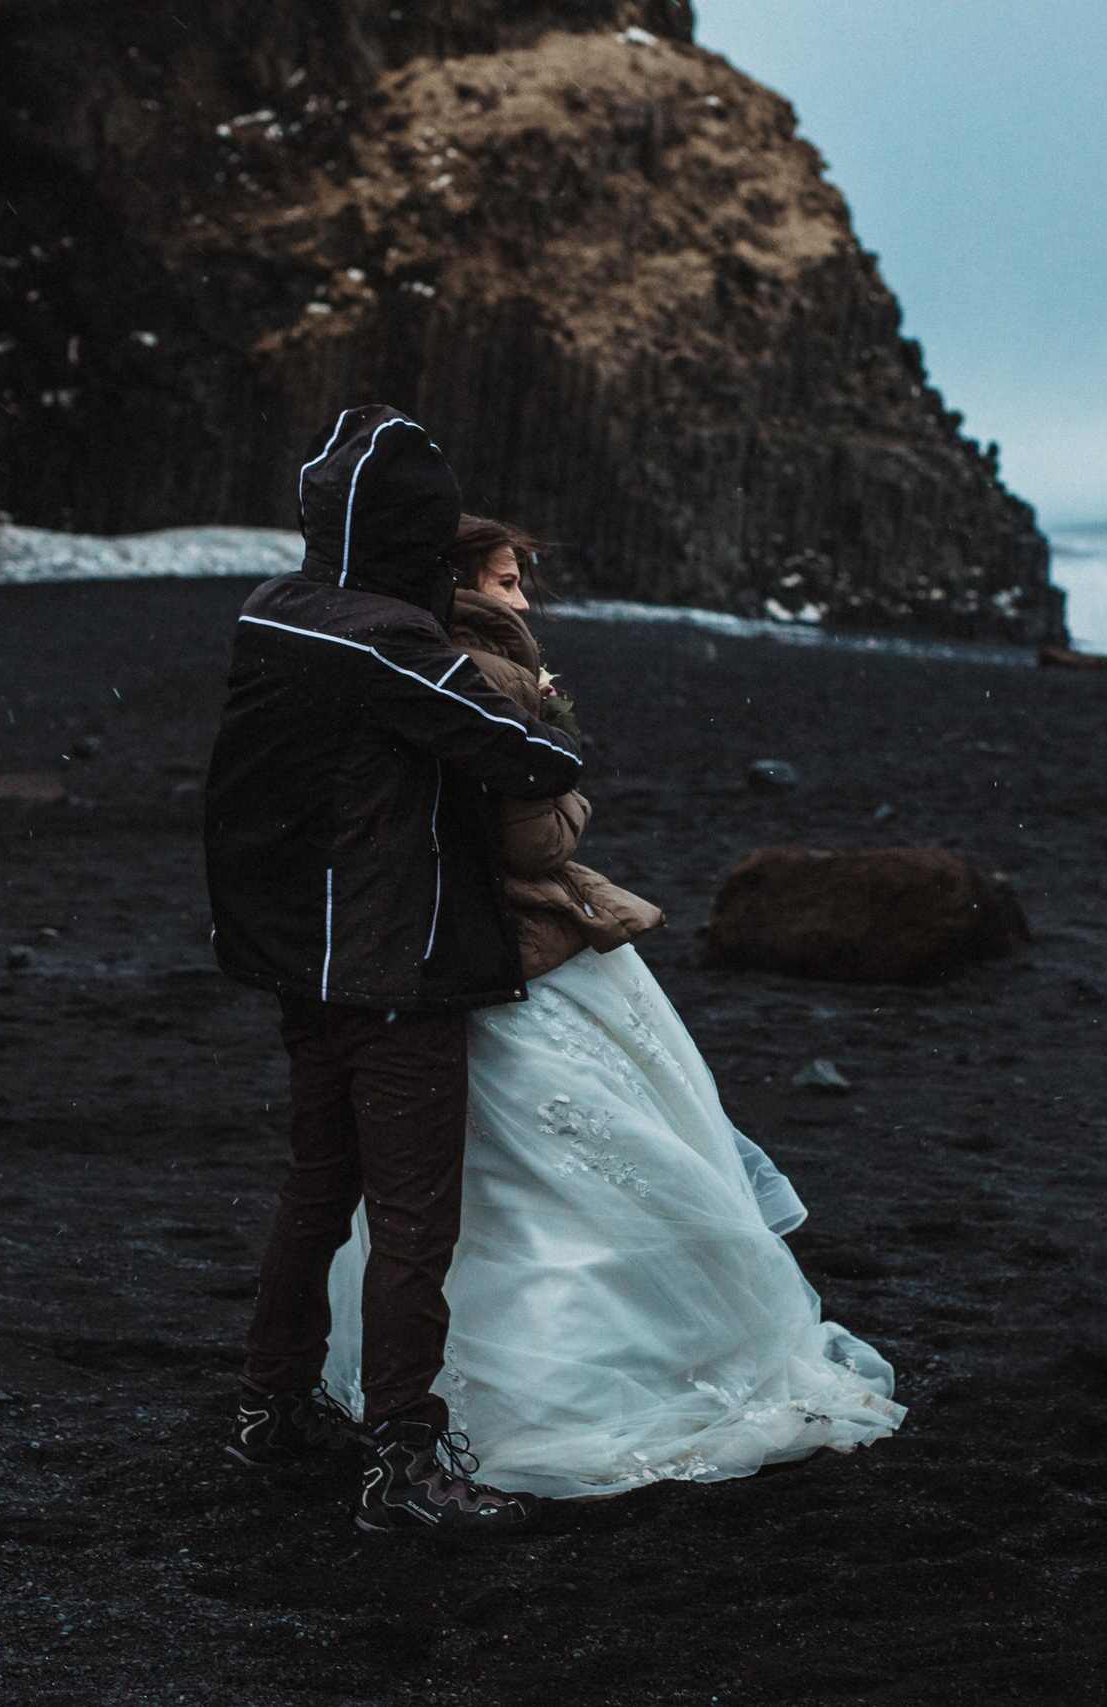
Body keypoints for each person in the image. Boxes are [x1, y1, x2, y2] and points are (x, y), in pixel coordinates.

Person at [317, 514, 906, 1500]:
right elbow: (535, 842)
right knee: (594, 1147)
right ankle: (607, 1376)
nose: (523, 601)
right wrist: (570, 783)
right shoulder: (486, 676)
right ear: (462, 583)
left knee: (475, 1182)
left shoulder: (390, 663)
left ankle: (451, 1377)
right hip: (516, 946)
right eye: (508, 582)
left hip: (422, 952)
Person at [203, 407, 581, 1538]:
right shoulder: (388, 641)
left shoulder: (274, 612)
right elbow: (536, 755)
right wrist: (534, 686)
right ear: (419, 533)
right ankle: (402, 1464)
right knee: (416, 1220)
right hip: (392, 961)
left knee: (316, 1189)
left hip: (297, 963)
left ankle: (269, 1408)